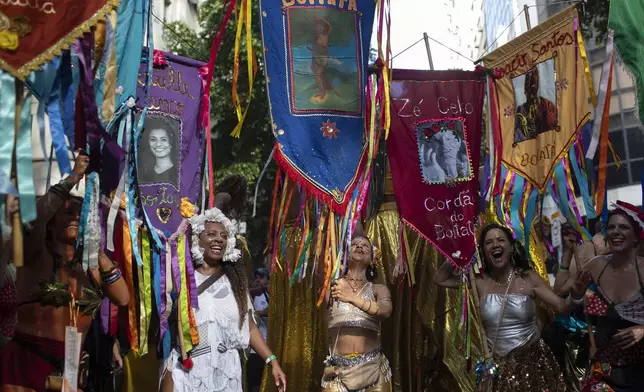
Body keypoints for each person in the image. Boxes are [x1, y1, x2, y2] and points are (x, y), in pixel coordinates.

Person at [0, 153, 130, 392]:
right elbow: (35, 220)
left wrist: (98, 251)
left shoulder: (91, 266)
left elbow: (122, 298)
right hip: (23, 368)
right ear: (52, 221)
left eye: (80, 213)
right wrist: (73, 178)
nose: (74, 216)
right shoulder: (37, 254)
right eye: (67, 212)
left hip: (69, 373)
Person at [435, 223, 587, 391]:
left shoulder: (528, 278)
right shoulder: (478, 280)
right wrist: (459, 250)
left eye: (501, 240)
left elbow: (562, 306)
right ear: (483, 251)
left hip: (534, 365)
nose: (495, 245)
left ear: (511, 247)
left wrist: (577, 295)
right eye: (488, 242)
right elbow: (441, 279)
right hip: (497, 368)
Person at [160, 201, 286, 392]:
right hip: (188, 371)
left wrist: (272, 361)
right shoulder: (183, 278)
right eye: (211, 234)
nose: (218, 239)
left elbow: (249, 327)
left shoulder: (235, 283)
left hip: (226, 374)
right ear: (197, 239)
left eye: (223, 235)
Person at [580, 201, 644, 391]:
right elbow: (567, 299)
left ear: (636, 237)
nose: (616, 231)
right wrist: (577, 293)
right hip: (607, 369)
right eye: (611, 227)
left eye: (623, 227)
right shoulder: (596, 265)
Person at [322, 235, 393, 392]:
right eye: (354, 244)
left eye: (365, 246)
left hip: (373, 370)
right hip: (338, 372)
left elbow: (385, 311)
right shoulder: (334, 288)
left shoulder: (378, 289)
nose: (359, 246)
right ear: (345, 254)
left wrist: (352, 298)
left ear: (373, 259)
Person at [514, 66, 558, 142]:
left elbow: (556, 131)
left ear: (537, 84)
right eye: (528, 82)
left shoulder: (548, 105)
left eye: (533, 83)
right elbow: (517, 137)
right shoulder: (520, 110)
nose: (530, 86)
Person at [138, 116, 178, 186]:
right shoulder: (144, 175)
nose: (158, 144)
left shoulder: (179, 175)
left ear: (171, 142)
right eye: (153, 139)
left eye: (163, 139)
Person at [247, 268, 270, 392]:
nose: (258, 280)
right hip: (255, 348)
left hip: (270, 344)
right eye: (256, 277)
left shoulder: (274, 295)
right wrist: (263, 312)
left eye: (261, 277)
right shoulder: (253, 295)